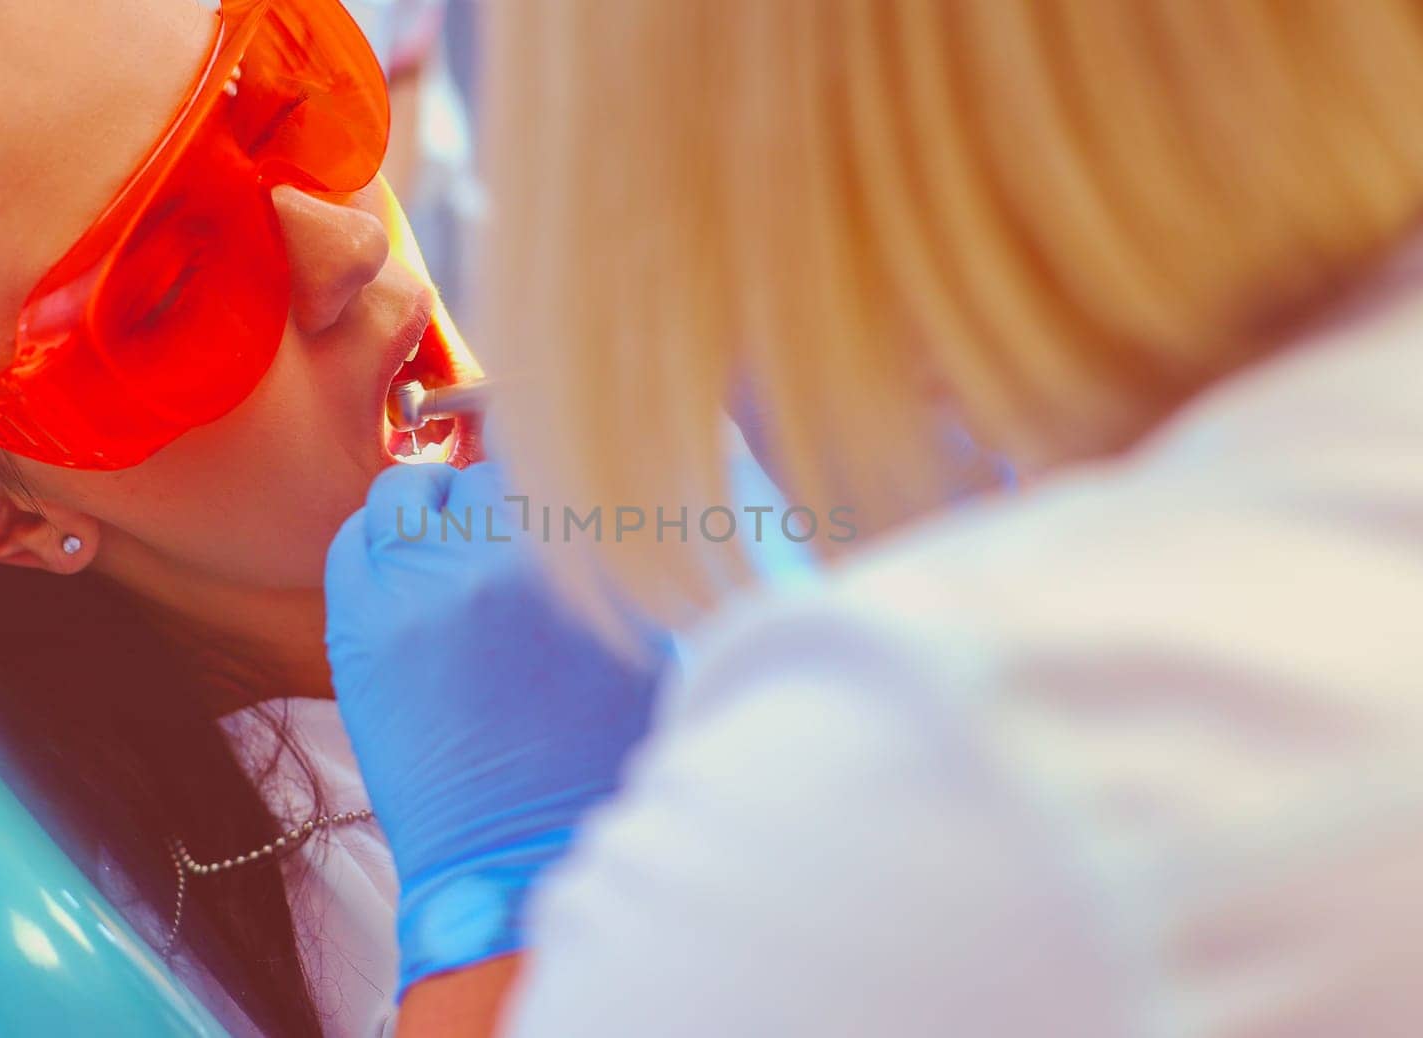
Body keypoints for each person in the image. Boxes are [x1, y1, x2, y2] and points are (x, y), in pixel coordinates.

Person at [323, 1, 1423, 1034]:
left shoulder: (968, 753)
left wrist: (487, 912)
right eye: (171, 282)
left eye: (302, 106)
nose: (346, 249)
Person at [0, 0, 478, 1033]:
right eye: (171, 289)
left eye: (274, 106)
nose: (347, 243)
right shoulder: (341, 939)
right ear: (7, 517)